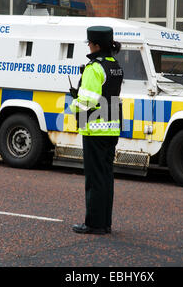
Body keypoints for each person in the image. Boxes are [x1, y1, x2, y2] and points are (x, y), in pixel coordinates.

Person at [69, 26, 123, 235]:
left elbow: (89, 100)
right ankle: (104, 222)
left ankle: (94, 224)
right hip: (111, 127)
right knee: (106, 177)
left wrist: (73, 104)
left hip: (94, 128)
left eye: (90, 43)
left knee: (94, 179)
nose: (89, 46)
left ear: (96, 45)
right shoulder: (114, 65)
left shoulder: (94, 67)